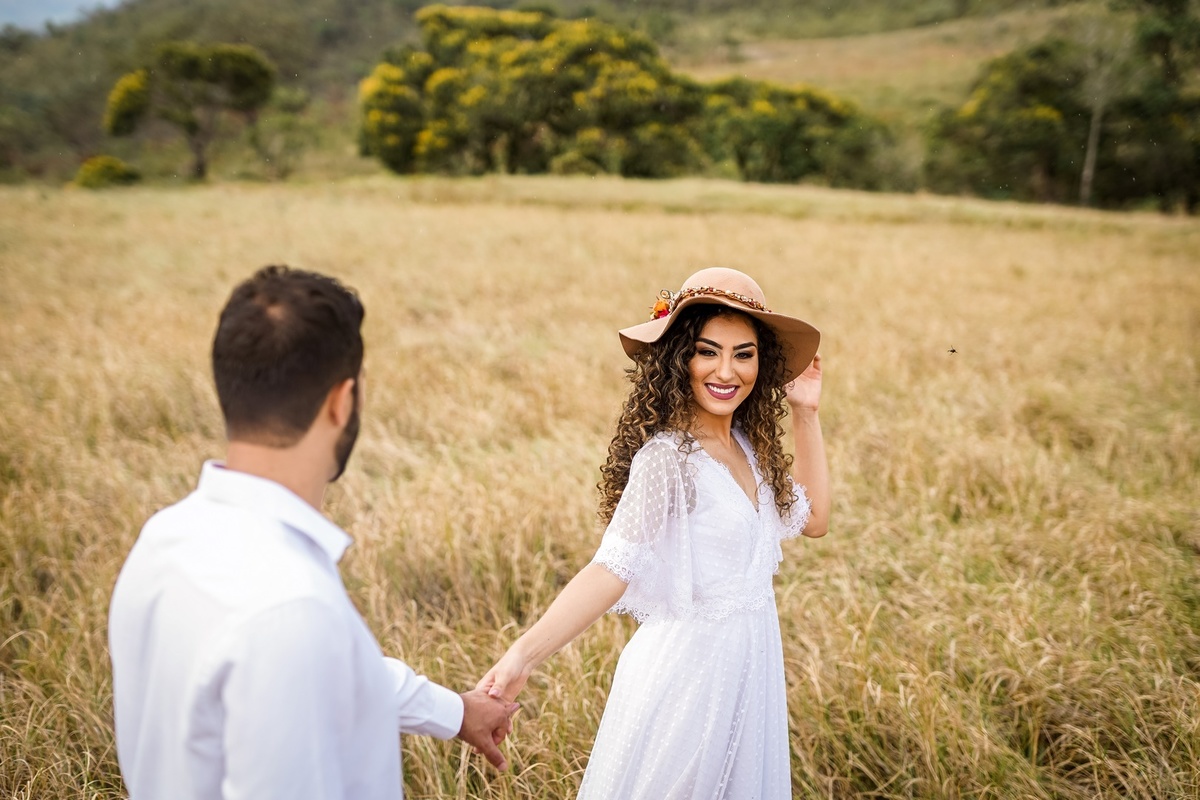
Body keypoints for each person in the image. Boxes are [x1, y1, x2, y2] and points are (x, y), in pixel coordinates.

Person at [108, 265, 517, 800]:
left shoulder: (163, 539)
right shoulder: (292, 611)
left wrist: (454, 710)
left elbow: (320, 673)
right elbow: (295, 651)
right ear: (341, 402)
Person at [478, 267, 830, 798]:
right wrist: (520, 657)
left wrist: (806, 412)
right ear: (678, 357)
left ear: (764, 362)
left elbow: (814, 520)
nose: (726, 371)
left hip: (748, 669)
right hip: (688, 679)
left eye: (744, 353)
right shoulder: (667, 459)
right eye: (707, 351)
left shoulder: (749, 450)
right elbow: (611, 568)